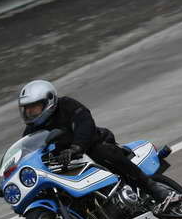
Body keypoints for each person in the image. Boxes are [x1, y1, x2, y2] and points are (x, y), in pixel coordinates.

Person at [18, 79, 173, 205]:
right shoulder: (31, 131)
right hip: (64, 161)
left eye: (34, 108)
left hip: (91, 144)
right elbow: (26, 153)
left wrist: (76, 147)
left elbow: (84, 123)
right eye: (27, 109)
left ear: (49, 101)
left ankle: (152, 187)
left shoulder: (67, 105)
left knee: (102, 152)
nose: (30, 113)